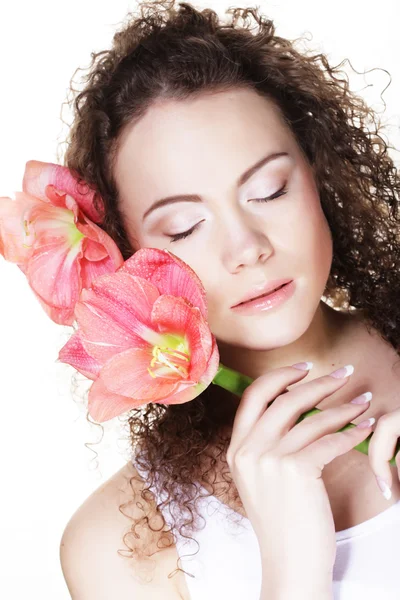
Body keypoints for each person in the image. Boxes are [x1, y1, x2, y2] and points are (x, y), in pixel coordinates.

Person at [58, 1, 400, 598]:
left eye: (268, 190)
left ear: (318, 172)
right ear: (127, 258)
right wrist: (293, 570)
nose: (246, 248)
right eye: (185, 227)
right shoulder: (120, 545)